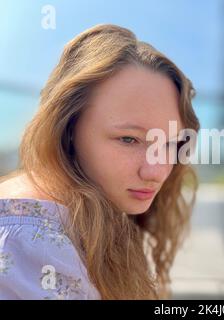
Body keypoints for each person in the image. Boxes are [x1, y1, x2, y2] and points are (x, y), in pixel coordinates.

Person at [0, 24, 200, 299]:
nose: (156, 171)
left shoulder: (89, 214)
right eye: (129, 139)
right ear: (68, 129)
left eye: (169, 144)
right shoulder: (29, 241)